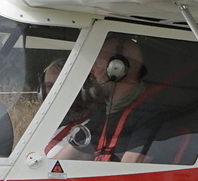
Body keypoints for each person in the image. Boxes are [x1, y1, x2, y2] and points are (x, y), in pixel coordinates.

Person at [46, 35, 170, 163]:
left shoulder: (149, 115)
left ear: (117, 68)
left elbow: (127, 174)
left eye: (96, 63)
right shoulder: (103, 113)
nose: (91, 71)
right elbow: (60, 162)